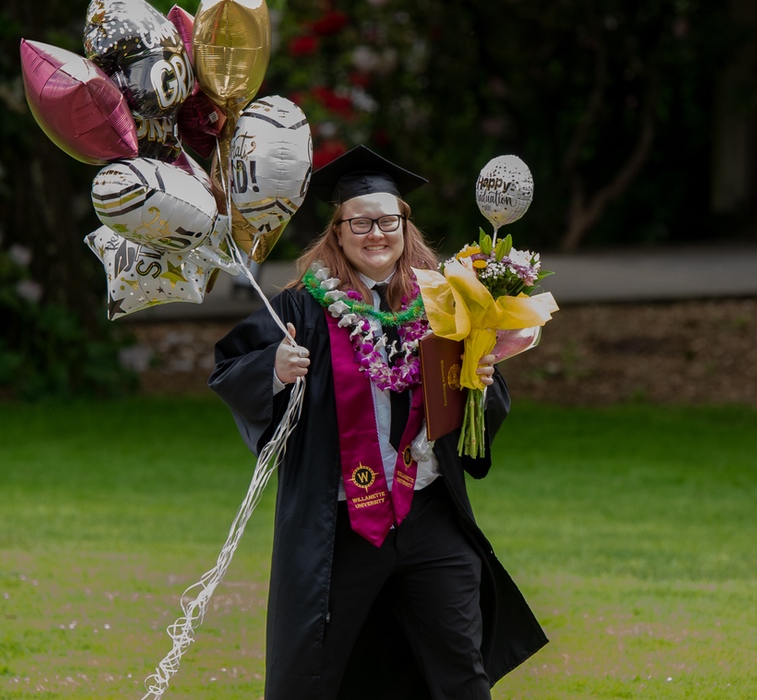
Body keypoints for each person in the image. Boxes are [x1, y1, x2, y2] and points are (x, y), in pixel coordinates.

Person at [209, 146, 547, 700]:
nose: (375, 233)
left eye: (388, 220)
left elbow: (476, 414)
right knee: (315, 671)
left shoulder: (446, 302)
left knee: (461, 670)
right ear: (337, 231)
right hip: (342, 525)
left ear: (404, 226)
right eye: (359, 222)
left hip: (429, 514)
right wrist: (274, 367)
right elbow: (231, 367)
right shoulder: (301, 309)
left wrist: (482, 381)